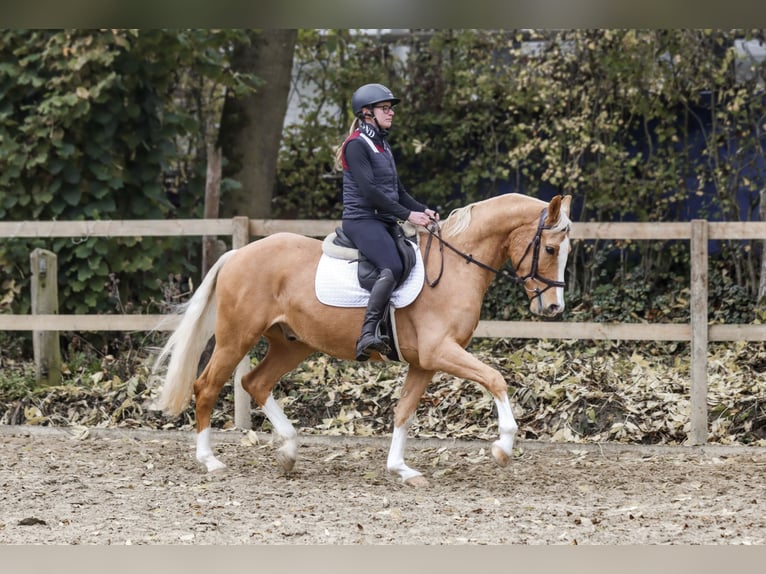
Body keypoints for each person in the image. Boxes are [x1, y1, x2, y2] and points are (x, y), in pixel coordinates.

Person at [335, 83, 439, 361]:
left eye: (390, 108)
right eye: (385, 108)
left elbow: (398, 192)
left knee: (409, 260)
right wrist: (407, 215)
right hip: (361, 220)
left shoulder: (382, 145)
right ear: (366, 112)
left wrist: (423, 210)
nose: (390, 113)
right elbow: (370, 192)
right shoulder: (356, 145)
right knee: (391, 264)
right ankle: (367, 333)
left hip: (383, 220)